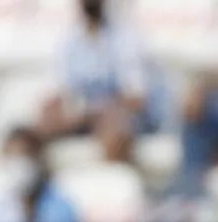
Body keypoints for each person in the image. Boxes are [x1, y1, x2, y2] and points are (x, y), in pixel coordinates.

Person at [39, 0, 152, 164]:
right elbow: (59, 90)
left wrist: (93, 111)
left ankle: (114, 182)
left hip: (114, 115)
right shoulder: (69, 40)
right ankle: (39, 184)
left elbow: (135, 99)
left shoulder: (125, 37)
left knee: (116, 129)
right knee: (38, 127)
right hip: (81, 117)